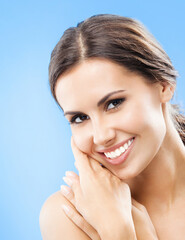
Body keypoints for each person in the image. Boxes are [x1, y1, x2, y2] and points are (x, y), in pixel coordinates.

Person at [39, 14, 185, 240]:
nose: (101, 136)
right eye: (79, 118)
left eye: (114, 103)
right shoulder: (67, 216)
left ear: (164, 85)